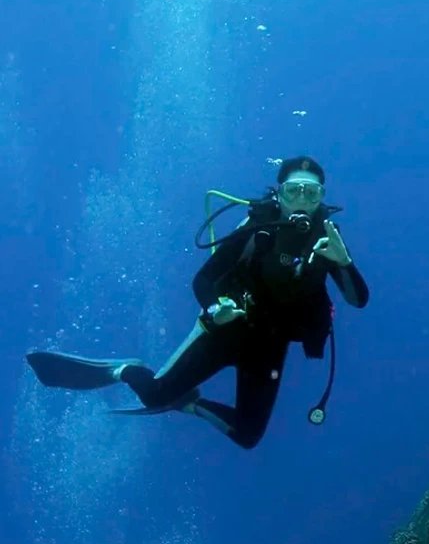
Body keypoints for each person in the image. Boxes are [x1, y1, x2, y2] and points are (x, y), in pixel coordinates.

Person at [26, 156, 369, 448]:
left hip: (269, 347)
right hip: (225, 331)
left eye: (312, 193)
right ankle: (125, 369)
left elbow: (358, 300)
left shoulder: (329, 242)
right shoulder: (256, 226)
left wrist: (344, 263)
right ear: (279, 195)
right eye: (293, 190)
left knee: (248, 436)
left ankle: (190, 405)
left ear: (322, 198)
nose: (302, 200)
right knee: (155, 395)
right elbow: (203, 279)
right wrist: (215, 309)